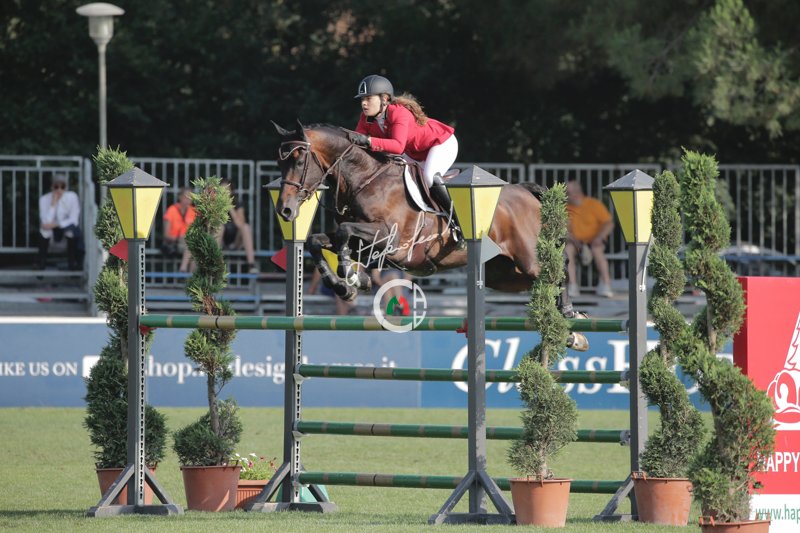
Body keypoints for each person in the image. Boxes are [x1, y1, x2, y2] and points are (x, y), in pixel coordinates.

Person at [348, 74, 460, 237]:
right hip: (413, 152)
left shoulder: (398, 113)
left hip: (440, 143)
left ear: (384, 99)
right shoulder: (367, 118)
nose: (363, 103)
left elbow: (397, 146)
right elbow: (359, 143)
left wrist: (369, 141)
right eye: (362, 99)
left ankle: (458, 223)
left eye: (368, 99)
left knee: (429, 177)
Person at [565, 180, 614, 298]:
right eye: (567, 193)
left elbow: (608, 223)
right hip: (575, 242)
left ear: (579, 192)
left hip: (595, 241)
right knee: (567, 250)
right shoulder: (565, 208)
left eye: (572, 192)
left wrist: (599, 238)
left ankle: (606, 284)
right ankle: (572, 285)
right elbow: (563, 230)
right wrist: (574, 240)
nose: (570, 196)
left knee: (597, 250)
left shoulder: (594, 204)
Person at [35, 173, 84, 270]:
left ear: (66, 188)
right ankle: (41, 264)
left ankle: (72, 264)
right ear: (52, 187)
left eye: (62, 187)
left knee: (71, 232)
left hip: (64, 227)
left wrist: (56, 224)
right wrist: (53, 204)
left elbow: (74, 220)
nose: (59, 189)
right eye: (56, 186)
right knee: (44, 232)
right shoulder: (44, 199)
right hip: (51, 229)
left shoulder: (72, 197)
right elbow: (45, 222)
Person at [217, 179, 258, 273]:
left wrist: (230, 207)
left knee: (246, 227)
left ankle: (251, 264)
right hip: (220, 240)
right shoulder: (214, 203)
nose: (224, 193)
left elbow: (240, 224)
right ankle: (216, 264)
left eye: (227, 190)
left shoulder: (237, 203)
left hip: (235, 241)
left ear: (231, 192)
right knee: (219, 227)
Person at [162, 186, 196, 272]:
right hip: (173, 243)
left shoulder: (194, 211)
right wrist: (179, 238)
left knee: (194, 248)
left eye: (190, 197)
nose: (188, 200)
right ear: (180, 197)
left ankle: (185, 271)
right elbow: (166, 235)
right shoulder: (172, 210)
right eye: (186, 197)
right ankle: (185, 272)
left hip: (188, 243)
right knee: (192, 245)